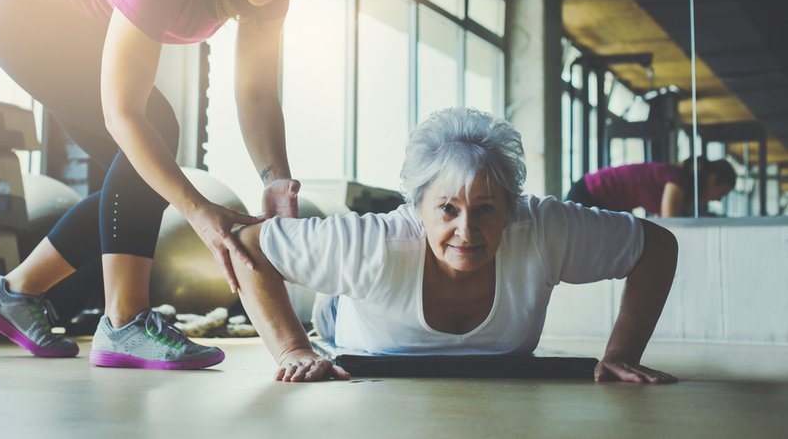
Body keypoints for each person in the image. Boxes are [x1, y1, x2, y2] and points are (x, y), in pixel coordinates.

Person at [0, 0, 331, 370]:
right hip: (28, 18)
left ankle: (16, 291)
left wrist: (276, 180)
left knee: (134, 185)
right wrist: (199, 211)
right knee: (155, 133)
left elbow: (255, 94)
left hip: (83, 31)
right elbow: (122, 112)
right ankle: (123, 323)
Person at [227, 107, 679, 384]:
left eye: (485, 209)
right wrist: (292, 349)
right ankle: (329, 298)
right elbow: (247, 243)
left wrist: (622, 353)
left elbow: (655, 246)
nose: (467, 230)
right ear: (418, 207)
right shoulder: (373, 242)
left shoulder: (541, 228)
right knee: (329, 307)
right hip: (345, 315)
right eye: (447, 209)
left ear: (511, 207)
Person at [565, 157, 736, 218]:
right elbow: (671, 223)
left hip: (596, 198)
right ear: (712, 180)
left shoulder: (677, 178)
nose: (718, 199)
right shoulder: (677, 180)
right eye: (722, 193)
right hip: (588, 195)